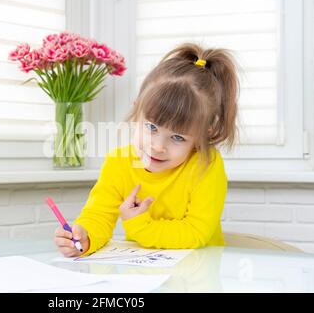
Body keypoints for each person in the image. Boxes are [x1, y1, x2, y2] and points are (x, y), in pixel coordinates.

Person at [54, 42, 239, 257]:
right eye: (151, 127)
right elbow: (99, 215)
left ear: (201, 137)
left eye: (177, 137)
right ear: (137, 108)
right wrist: (85, 237)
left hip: (197, 276)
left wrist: (140, 225)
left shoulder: (205, 165)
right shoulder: (119, 162)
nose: (158, 147)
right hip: (146, 277)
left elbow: (196, 232)